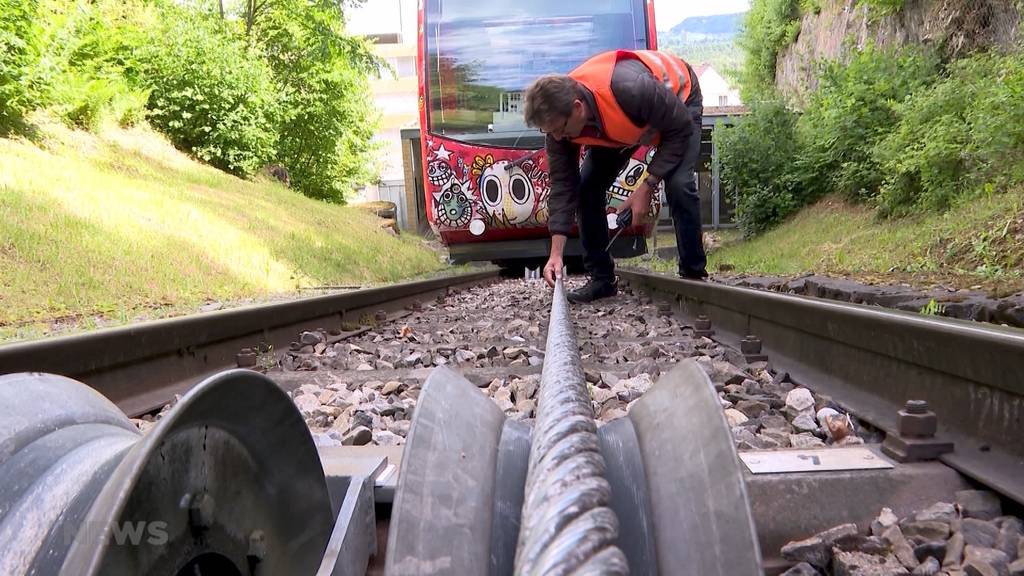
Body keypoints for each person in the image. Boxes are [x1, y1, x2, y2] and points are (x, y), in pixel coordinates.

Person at [524, 49, 707, 302]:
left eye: (560, 130)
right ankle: (602, 279)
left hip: (679, 104)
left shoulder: (630, 88)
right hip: (628, 121)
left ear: (577, 108)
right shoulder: (559, 126)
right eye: (550, 132)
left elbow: (679, 129)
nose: (557, 138)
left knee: (679, 184)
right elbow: (564, 187)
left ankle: (693, 275)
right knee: (588, 190)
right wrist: (556, 254)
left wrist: (647, 185)